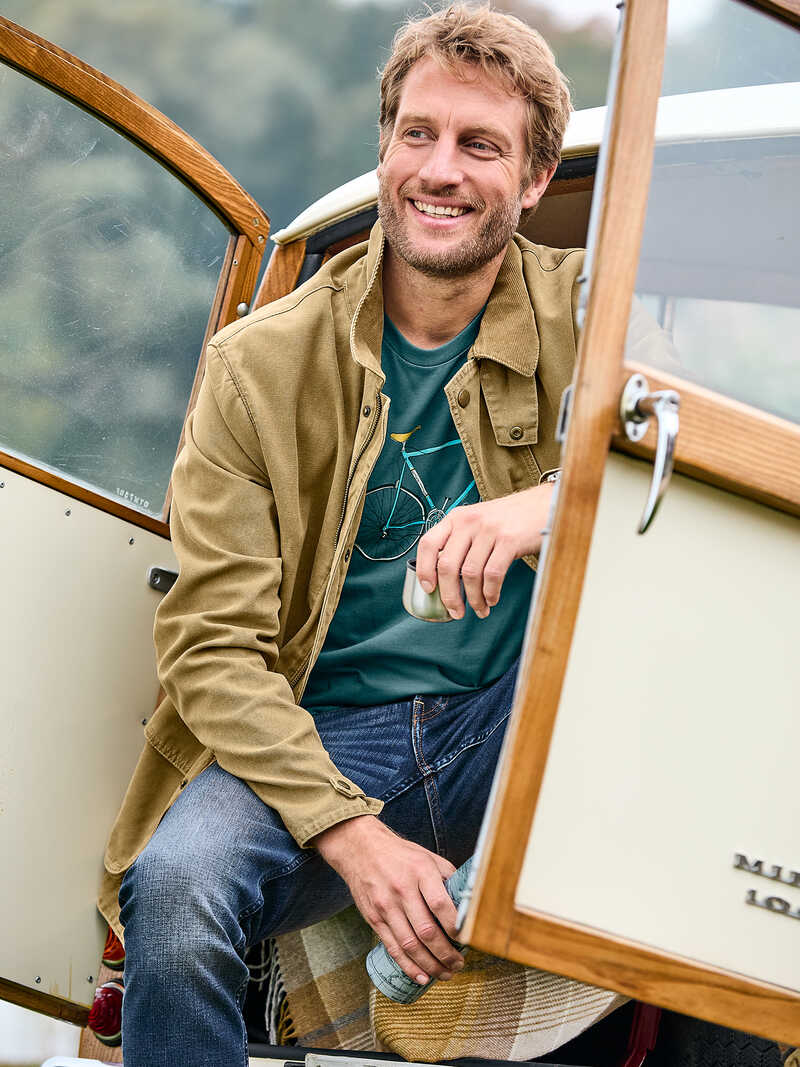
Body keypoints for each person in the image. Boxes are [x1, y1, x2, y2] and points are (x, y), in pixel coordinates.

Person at [100, 5, 582, 1063]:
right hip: (325, 734)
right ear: (384, 148)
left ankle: (508, 917)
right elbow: (211, 647)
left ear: (535, 180)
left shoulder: (596, 311)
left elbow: (718, 473)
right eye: (418, 134)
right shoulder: (256, 363)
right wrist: (353, 837)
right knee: (174, 888)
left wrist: (553, 502)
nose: (439, 170)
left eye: (480, 145)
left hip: (531, 711)